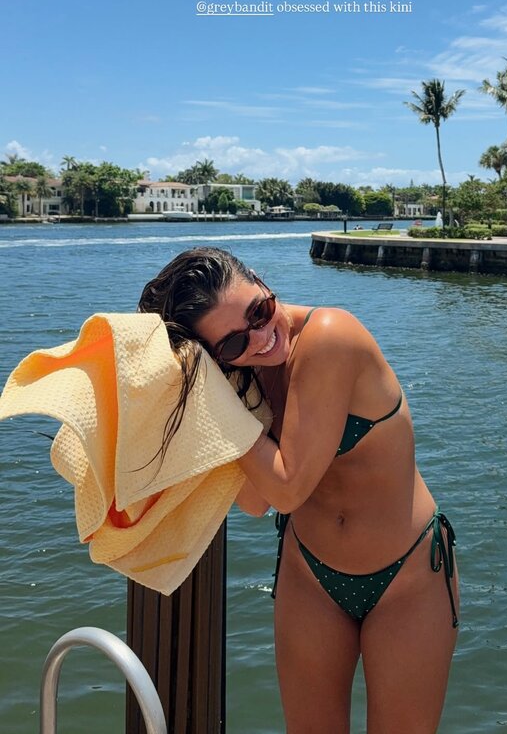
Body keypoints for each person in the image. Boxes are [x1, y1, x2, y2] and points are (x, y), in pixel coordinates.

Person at [139, 247, 459, 734]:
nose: (261, 337)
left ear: (260, 281)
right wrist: (212, 390)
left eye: (259, 310)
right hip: (309, 577)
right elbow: (255, 501)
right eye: (233, 343)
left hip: (408, 577)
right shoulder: (242, 376)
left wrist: (214, 399)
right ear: (211, 356)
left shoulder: (331, 336)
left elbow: (286, 489)